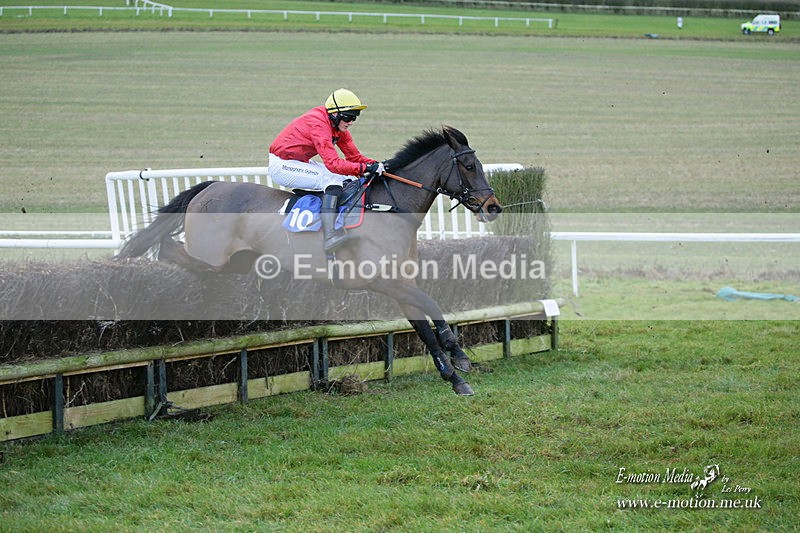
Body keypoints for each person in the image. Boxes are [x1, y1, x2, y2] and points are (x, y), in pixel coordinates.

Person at [268, 88, 384, 253]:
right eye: (349, 117)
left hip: (298, 162)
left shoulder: (337, 126)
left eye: (355, 117)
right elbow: (333, 164)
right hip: (282, 166)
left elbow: (355, 157)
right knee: (332, 179)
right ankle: (330, 236)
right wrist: (365, 168)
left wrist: (379, 165)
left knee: (345, 179)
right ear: (335, 114)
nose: (351, 121)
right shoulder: (318, 123)